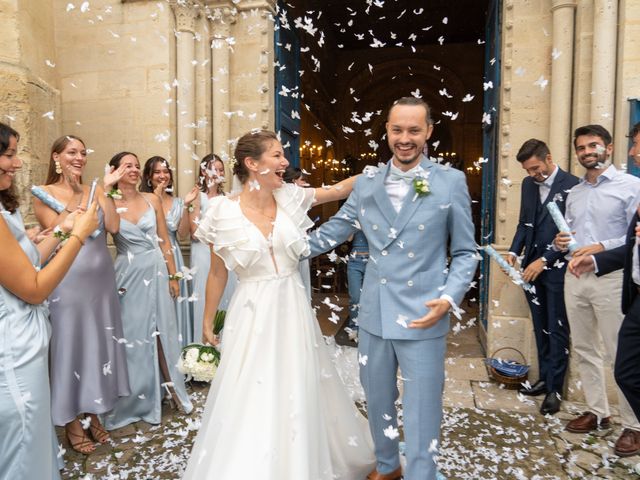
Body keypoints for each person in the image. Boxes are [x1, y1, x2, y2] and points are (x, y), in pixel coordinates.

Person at [183, 130, 375, 479]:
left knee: (298, 383)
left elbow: (340, 189)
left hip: (292, 305)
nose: (285, 162)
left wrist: (385, 170)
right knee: (251, 388)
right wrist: (207, 320)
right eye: (276, 155)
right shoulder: (221, 212)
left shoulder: (291, 197)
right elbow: (216, 274)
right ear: (251, 164)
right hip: (252, 309)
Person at [306, 97, 478, 480]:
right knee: (378, 399)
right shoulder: (366, 183)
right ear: (386, 131)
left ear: (429, 131)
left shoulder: (450, 182)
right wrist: (284, 248)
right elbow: (337, 229)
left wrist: (449, 298)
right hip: (375, 313)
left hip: (424, 312)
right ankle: (388, 466)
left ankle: (421, 474)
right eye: (397, 130)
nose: (405, 138)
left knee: (422, 406)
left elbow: (466, 252)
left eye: (414, 130)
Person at [0, 122, 99, 479]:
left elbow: (27, 260)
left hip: (26, 348)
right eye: (9, 155)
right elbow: (35, 287)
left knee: (34, 440)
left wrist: (61, 230)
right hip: (13, 351)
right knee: (22, 447)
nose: (17, 163)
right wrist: (78, 237)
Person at [33, 135, 130, 454]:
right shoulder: (43, 193)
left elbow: (113, 227)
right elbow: (63, 231)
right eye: (71, 152)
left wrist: (108, 191)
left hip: (101, 282)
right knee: (72, 347)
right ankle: (73, 421)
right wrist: (87, 196)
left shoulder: (98, 190)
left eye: (82, 153)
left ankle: (94, 413)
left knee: (97, 348)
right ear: (56, 157)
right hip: (67, 281)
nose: (79, 157)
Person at [553, 124, 640, 456]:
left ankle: (633, 424)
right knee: (584, 347)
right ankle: (598, 412)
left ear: (610, 147)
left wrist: (601, 247)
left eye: (594, 146)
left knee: (621, 353)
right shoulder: (575, 193)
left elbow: (631, 239)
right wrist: (563, 242)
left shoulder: (631, 186)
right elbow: (572, 235)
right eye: (581, 148)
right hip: (575, 277)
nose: (587, 152)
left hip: (612, 278)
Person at [102, 152, 193, 429]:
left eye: (136, 165)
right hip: (128, 275)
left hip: (156, 269)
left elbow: (165, 240)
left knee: (162, 331)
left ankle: (172, 391)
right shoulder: (109, 201)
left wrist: (173, 275)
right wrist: (106, 190)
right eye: (127, 165)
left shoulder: (151, 199)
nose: (134, 169)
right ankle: (135, 400)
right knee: (132, 336)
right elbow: (110, 228)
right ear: (114, 170)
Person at [505, 139, 578, 415]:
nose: (533, 175)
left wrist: (544, 260)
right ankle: (544, 378)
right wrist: (513, 252)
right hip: (529, 270)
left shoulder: (573, 185)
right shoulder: (528, 185)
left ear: (549, 158)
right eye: (528, 171)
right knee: (540, 325)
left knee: (558, 329)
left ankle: (555, 390)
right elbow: (524, 222)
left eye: (536, 169)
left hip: (557, 269)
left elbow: (570, 233)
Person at [140, 156, 198, 346]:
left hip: (174, 255)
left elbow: (182, 234)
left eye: (165, 172)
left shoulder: (178, 202)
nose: (162, 175)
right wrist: (155, 197)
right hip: (149, 254)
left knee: (174, 301)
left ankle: (178, 352)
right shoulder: (141, 200)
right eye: (157, 172)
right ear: (149, 176)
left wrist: (187, 206)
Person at [188, 154, 236, 343]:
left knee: (227, 297)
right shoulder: (197, 197)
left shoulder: (227, 198)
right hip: (202, 254)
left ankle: (226, 347)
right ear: (203, 171)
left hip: (223, 254)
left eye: (221, 170)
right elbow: (193, 232)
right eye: (214, 169)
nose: (218, 173)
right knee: (205, 298)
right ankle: (203, 348)